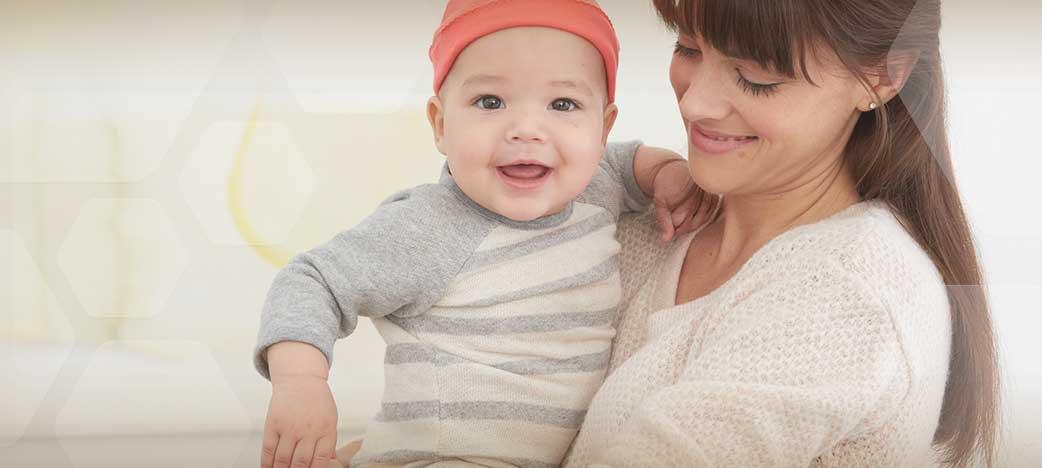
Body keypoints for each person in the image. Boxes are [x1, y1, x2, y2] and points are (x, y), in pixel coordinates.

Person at [339, 0, 1001, 466]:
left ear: (882, 75)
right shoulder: (627, 225)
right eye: (688, 47)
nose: (695, 102)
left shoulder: (846, 296)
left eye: (756, 78)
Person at [252, 1, 719, 468]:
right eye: (490, 102)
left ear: (602, 127)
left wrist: (668, 173)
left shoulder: (597, 185)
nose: (527, 130)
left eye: (563, 104)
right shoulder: (431, 226)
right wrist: (301, 383)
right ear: (440, 124)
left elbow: (630, 161)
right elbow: (313, 281)